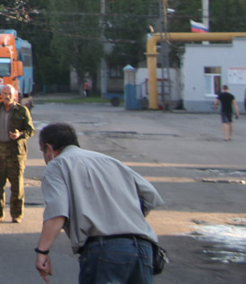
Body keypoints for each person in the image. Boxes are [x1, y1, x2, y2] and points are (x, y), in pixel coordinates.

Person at [34, 122, 161, 284]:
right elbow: (150, 195)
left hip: (104, 252)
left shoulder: (57, 165)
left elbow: (57, 213)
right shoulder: (110, 161)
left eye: (42, 152)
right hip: (143, 249)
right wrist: (125, 216)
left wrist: (42, 251)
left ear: (49, 149)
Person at [0, 84, 34, 223]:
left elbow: (30, 130)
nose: (7, 96)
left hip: (16, 154)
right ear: (1, 95)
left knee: (17, 186)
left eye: (10, 94)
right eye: (5, 93)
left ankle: (16, 215)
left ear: (15, 95)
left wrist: (20, 134)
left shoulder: (22, 110)